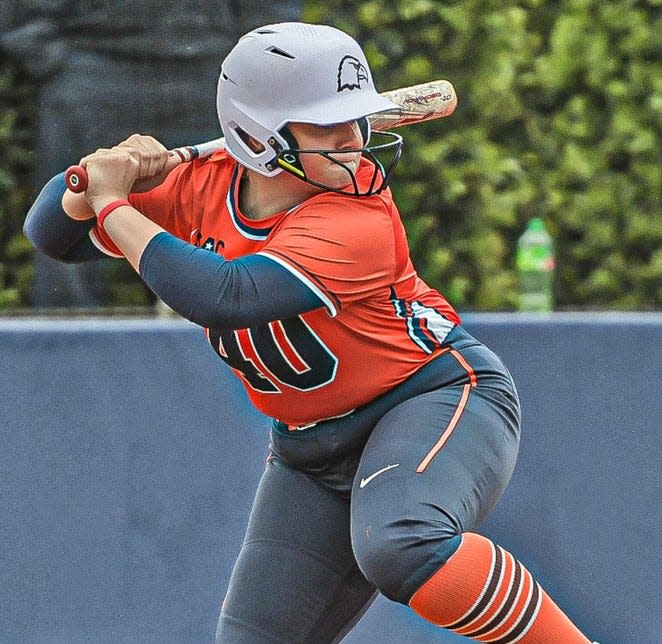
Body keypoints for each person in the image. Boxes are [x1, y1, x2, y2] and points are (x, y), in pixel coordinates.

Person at [24, 22, 599, 644]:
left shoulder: (360, 216)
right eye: (328, 123)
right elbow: (51, 233)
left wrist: (115, 204)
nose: (354, 142)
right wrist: (95, 181)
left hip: (431, 398)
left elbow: (222, 295)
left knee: (402, 544)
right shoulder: (200, 184)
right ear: (260, 138)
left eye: (356, 120)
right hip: (310, 449)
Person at [1, 0, 301, 306]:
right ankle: (63, 348)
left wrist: (254, 71)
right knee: (69, 217)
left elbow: (273, 14)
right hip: (91, 71)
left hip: (207, 72)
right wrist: (52, 61)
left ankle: (233, 341)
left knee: (232, 215)